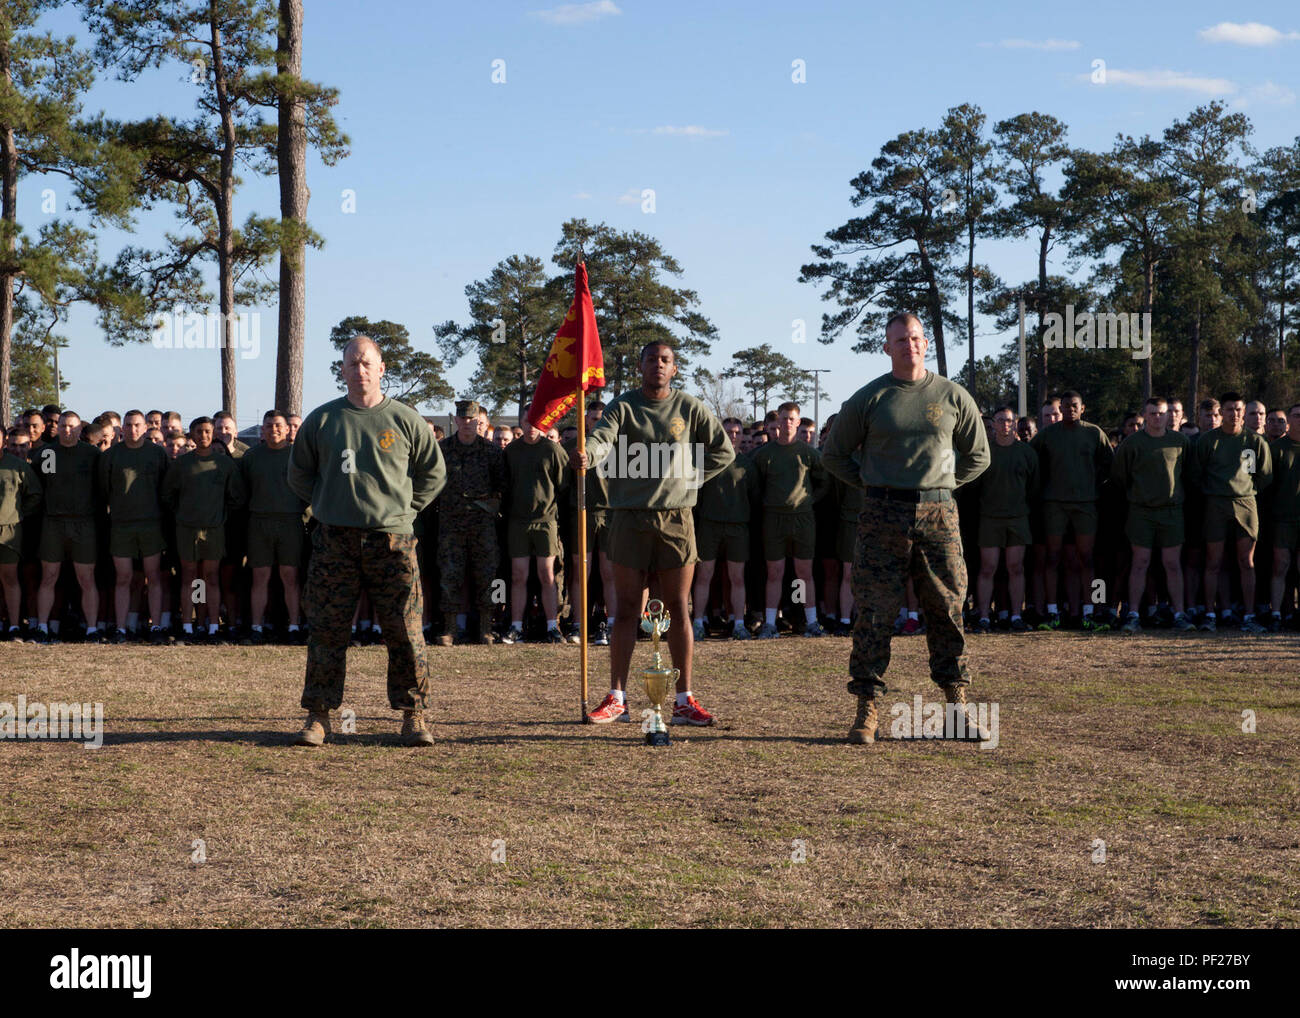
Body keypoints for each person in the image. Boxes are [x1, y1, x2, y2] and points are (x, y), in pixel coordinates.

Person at [821, 312, 990, 745]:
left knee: (948, 609)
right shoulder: (870, 398)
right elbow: (834, 454)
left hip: (939, 515)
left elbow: (979, 455)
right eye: (899, 340)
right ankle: (867, 710)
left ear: (926, 344)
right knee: (875, 613)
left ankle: (956, 707)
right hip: (882, 516)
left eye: (915, 338)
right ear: (886, 347)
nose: (908, 345)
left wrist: (944, 484)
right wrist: (874, 483)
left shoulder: (953, 395)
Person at [288, 336, 446, 747]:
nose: (359, 370)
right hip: (334, 542)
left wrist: (405, 511)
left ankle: (414, 715)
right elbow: (299, 474)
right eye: (351, 364)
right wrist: (328, 505)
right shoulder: (322, 421)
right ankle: (319, 715)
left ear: (381, 368)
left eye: (366, 363)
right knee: (327, 629)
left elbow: (433, 473)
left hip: (392, 541)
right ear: (341, 370)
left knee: (406, 631)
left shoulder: (405, 419)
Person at [572, 340, 733, 726]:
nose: (657, 366)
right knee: (626, 609)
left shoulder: (690, 407)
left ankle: (683, 699)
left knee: (679, 608)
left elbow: (723, 451)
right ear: (640, 366)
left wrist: (689, 480)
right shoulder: (624, 406)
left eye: (665, 361)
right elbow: (601, 438)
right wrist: (588, 455)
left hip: (677, 520)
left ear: (674, 368)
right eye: (650, 360)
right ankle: (617, 697)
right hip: (628, 519)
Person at [1030, 390, 1113, 630]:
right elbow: (1031, 459)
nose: (1070, 410)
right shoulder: (1047, 435)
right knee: (1052, 558)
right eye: (1065, 406)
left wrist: (1093, 485)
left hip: (1086, 504)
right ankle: (1053, 612)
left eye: (1074, 405)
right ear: (1060, 409)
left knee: (1088, 559)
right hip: (1054, 504)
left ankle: (1091, 611)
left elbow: (1109, 464)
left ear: (1083, 408)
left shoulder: (1094, 433)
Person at [1110, 396, 1194, 633]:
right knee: (1140, 563)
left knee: (1172, 563)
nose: (1158, 418)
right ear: (1145, 416)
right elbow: (1120, 477)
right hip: (1141, 512)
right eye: (1153, 413)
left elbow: (1189, 473)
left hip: (1171, 511)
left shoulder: (1180, 441)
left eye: (1162, 413)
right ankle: (1134, 613)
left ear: (1169, 415)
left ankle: (1179, 613)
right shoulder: (1132, 443)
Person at [161, 417, 246, 643]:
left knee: (211, 578)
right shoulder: (182, 464)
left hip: (214, 530)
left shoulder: (224, 464)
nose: (203, 436)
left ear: (213, 434)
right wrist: (184, 513)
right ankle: (189, 626)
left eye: (207, 431)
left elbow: (236, 497)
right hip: (187, 529)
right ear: (192, 434)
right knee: (190, 577)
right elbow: (168, 495)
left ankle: (211, 627)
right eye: (198, 432)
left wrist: (219, 514)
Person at [1194, 393, 1272, 632]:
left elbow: (1265, 475)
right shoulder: (1208, 441)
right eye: (1229, 410)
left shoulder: (1254, 441)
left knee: (1246, 562)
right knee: (1213, 562)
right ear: (1221, 413)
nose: (1235, 414)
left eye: (1239, 410)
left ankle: (1249, 616)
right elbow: (1196, 474)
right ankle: (1210, 613)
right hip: (1215, 504)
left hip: (1246, 504)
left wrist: (1246, 490)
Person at [752, 401, 829, 638]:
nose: (786, 423)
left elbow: (824, 482)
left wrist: (808, 501)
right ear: (777, 422)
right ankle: (770, 623)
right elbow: (756, 487)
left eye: (791, 419)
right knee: (774, 572)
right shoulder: (763, 455)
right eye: (783, 418)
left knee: (803, 573)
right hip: (773, 519)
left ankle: (810, 622)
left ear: (798, 421)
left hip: (802, 519)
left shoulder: (809, 454)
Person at [437, 399, 507, 645]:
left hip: (482, 523)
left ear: (479, 420)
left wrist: (490, 508)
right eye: (463, 418)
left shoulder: (492, 451)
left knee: (488, 575)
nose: (467, 423)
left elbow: (503, 486)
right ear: (456, 420)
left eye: (472, 418)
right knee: (450, 575)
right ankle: (450, 629)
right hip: (450, 522)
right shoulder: (442, 449)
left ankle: (487, 627)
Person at [100, 410, 170, 644]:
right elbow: (104, 488)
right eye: (129, 425)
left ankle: (157, 626)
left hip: (151, 524)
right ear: (122, 429)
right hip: (121, 524)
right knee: (123, 577)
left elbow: (165, 487)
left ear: (145, 427)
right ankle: (121, 628)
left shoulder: (157, 453)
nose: (133, 429)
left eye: (137, 425)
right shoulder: (111, 455)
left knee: (153, 576)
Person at [33, 411, 103, 643]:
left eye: (72, 426)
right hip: (53, 522)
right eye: (63, 426)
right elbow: (40, 485)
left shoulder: (92, 454)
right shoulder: (47, 453)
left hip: (84, 522)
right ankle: (42, 627)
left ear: (79, 429)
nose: (67, 430)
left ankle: (92, 629)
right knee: (49, 576)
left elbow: (102, 487)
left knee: (86, 578)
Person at [241, 410, 307, 644]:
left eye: (278, 426)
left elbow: (308, 489)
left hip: (290, 521)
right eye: (268, 426)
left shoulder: (298, 456)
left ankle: (294, 626)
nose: (274, 430)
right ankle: (257, 626)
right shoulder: (251, 456)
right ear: (262, 430)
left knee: (290, 576)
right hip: (259, 522)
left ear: (288, 429)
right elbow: (243, 490)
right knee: (260, 576)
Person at [973, 405, 1038, 633]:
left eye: (1009, 420)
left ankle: (1016, 616)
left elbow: (1033, 487)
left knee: (1015, 567)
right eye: (1000, 420)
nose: (1004, 425)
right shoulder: (985, 452)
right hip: (990, 518)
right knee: (988, 567)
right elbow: (976, 488)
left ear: (1015, 422)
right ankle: (983, 616)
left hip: (1018, 518)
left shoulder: (1026, 453)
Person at [502, 422, 568, 643]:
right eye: (527, 422)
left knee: (547, 574)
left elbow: (564, 485)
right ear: (521, 423)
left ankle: (552, 626)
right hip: (518, 522)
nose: (531, 427)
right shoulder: (512, 450)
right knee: (518, 575)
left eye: (537, 423)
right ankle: (516, 626)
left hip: (546, 522)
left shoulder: (553, 450)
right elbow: (505, 484)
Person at [691, 415, 757, 640]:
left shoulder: (747, 464)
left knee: (737, 577)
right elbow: (695, 496)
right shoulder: (708, 461)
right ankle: (698, 622)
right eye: (729, 431)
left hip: (738, 528)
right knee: (704, 576)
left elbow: (754, 497)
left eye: (738, 432)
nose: (733, 436)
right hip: (709, 526)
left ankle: (738, 623)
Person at [0, 428, 42, 639]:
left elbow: (36, 494)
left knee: (18, 578)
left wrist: (20, 514)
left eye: (22, 445)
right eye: (13, 445)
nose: (17, 449)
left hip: (15, 529)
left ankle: (21, 624)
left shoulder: (27, 465)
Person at [1267, 403, 1300, 630]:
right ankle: (1276, 614)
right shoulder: (1276, 448)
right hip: (1282, 519)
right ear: (1289, 420)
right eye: (1297, 416)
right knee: (1280, 566)